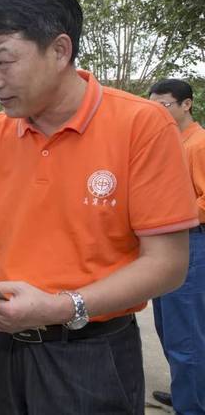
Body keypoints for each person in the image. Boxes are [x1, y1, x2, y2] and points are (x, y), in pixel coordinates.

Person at [0, 0, 198, 413]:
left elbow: (167, 264)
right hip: (1, 342)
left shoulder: (141, 126)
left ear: (59, 49)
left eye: (4, 61)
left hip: (90, 351)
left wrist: (61, 306)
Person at [148, 79, 205, 414]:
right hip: (164, 244)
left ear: (186, 105)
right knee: (167, 327)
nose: (157, 110)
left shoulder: (198, 144)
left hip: (191, 242)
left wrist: (172, 217)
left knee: (186, 333)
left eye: (164, 104)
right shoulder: (169, 142)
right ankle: (187, 389)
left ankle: (192, 406)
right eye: (152, 103)